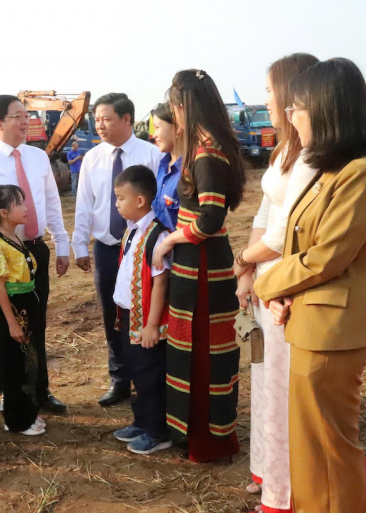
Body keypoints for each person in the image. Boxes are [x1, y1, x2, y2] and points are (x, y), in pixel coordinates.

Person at [254, 58, 366, 513]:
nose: (291, 117)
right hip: (313, 319)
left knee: (331, 449)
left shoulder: (364, 172)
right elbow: (305, 246)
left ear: (326, 109)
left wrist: (268, 283)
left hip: (337, 328)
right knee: (311, 447)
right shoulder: (330, 169)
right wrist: (287, 292)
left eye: (298, 108)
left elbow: (326, 256)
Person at [233, 53, 319, 513]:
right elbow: (266, 215)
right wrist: (247, 270)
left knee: (285, 385)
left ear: (290, 93)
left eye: (269, 90)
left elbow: (287, 232)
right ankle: (268, 470)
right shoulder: (284, 149)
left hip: (291, 281)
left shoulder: (312, 153)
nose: (266, 100)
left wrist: (245, 259)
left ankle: (285, 488)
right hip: (267, 276)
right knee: (266, 379)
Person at [152, 69, 245, 463]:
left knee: (202, 352)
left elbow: (210, 218)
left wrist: (170, 240)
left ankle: (207, 442)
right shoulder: (208, 144)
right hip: (199, 262)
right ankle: (197, 438)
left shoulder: (206, 150)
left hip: (204, 266)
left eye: (175, 105)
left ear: (184, 105)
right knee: (193, 348)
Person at [0, 94, 70, 414]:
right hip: (2, 256)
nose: (26, 121)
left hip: (34, 251)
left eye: (27, 115)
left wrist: (61, 244)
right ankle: (9, 391)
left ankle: (41, 389)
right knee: (3, 325)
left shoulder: (38, 157)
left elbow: (52, 202)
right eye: (18, 116)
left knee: (36, 323)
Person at [72, 93, 162, 406]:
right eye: (96, 119)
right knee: (113, 315)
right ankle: (119, 380)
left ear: (126, 119)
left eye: (106, 118)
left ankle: (146, 377)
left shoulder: (151, 155)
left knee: (144, 311)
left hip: (143, 249)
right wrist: (79, 244)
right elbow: (84, 204)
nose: (100, 125)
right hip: (108, 249)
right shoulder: (92, 159)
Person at [0, 184, 47, 435]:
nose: (26, 209)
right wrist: (12, 322)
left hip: (28, 306)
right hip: (15, 310)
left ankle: (29, 412)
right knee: (15, 364)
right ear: (4, 212)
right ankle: (17, 420)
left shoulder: (15, 238)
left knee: (29, 362)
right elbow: (0, 287)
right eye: (20, 205)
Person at [110, 165, 172, 455]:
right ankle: (142, 421)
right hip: (128, 317)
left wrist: (151, 325)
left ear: (140, 201)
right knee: (137, 372)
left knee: (150, 376)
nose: (117, 204)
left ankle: (158, 431)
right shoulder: (132, 232)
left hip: (145, 322)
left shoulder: (156, 236)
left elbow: (160, 283)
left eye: (121, 198)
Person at [150, 102, 183, 232]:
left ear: (177, 128)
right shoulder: (162, 166)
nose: (154, 136)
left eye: (157, 128)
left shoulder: (190, 171)